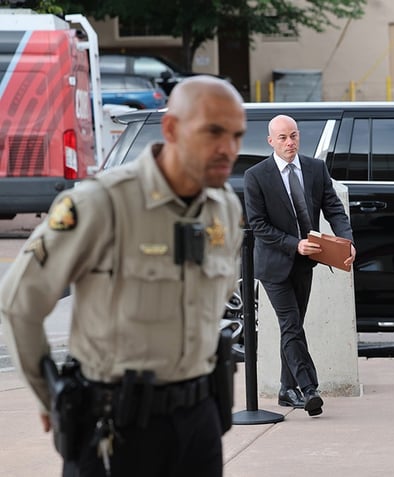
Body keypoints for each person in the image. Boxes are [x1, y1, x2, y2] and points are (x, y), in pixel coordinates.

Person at [0, 75, 246, 476]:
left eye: (237, 135)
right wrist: (51, 399)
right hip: (116, 428)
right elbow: (18, 303)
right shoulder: (101, 204)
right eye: (213, 132)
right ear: (171, 128)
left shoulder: (224, 210)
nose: (229, 149)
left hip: (200, 422)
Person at [243, 114, 355, 417]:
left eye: (293, 136)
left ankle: (285, 388)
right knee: (290, 325)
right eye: (282, 138)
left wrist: (347, 241)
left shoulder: (316, 168)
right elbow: (258, 225)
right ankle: (308, 389)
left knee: (292, 328)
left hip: (307, 262)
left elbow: (334, 207)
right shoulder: (256, 176)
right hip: (274, 265)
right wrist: (295, 244)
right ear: (271, 141)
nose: (289, 142)